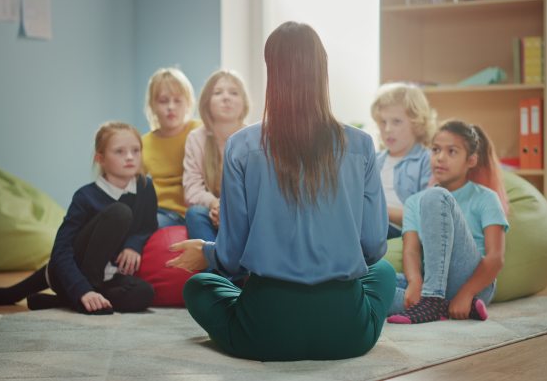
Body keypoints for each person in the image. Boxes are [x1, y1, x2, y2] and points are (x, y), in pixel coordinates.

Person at [166, 21, 396, 361]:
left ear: (272, 71)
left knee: (199, 287)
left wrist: (207, 251)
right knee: (386, 273)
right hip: (347, 333)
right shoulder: (362, 144)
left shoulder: (240, 146)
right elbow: (375, 248)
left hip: (264, 332)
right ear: (322, 70)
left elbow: (230, 257)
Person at [0, 122, 157, 314]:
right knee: (120, 213)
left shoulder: (145, 188)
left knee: (145, 294)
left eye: (136, 150)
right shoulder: (85, 196)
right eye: (119, 151)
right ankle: (77, 295)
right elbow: (61, 250)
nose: (130, 157)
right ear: (100, 158)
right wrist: (83, 291)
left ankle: (62, 301)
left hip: (108, 276)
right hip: (72, 272)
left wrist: (133, 245)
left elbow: (147, 226)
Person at [387, 119, 509, 324]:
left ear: (471, 160)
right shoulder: (413, 201)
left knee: (434, 196)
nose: (440, 158)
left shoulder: (486, 197)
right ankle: (441, 305)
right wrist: (415, 282)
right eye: (435, 150)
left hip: (470, 283)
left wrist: (466, 294)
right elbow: (411, 250)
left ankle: (434, 302)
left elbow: (496, 257)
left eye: (452, 152)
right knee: (369, 287)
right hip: (428, 282)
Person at [183, 69, 250, 242]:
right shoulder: (196, 138)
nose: (226, 98)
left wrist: (230, 210)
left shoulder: (254, 139)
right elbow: (192, 190)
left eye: (234, 93)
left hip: (246, 214)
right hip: (212, 212)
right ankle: (215, 267)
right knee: (194, 213)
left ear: (243, 103)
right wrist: (216, 205)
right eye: (218, 93)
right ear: (206, 103)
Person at [371, 82, 436, 239]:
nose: (387, 129)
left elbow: (426, 215)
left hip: (395, 229)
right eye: (383, 122)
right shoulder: (374, 160)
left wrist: (378, 210)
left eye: (396, 121)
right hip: (368, 223)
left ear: (417, 124)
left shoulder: (428, 160)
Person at [142, 67, 201, 228]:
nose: (171, 107)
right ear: (152, 105)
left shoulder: (200, 131)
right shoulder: (143, 144)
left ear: (188, 102)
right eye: (163, 101)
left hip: (193, 212)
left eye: (177, 100)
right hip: (156, 211)